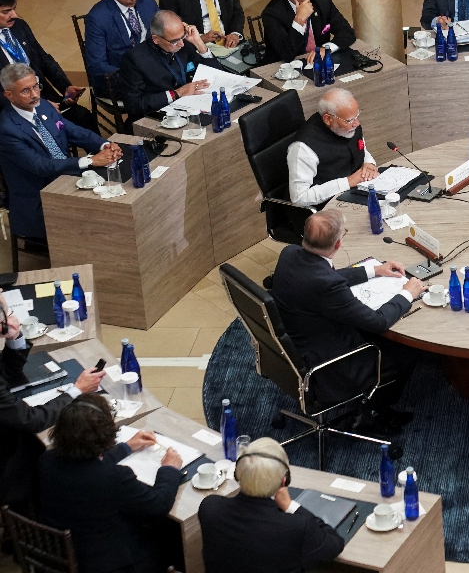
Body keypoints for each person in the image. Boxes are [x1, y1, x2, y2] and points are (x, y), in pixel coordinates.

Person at [270, 210, 428, 435]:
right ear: (338, 244)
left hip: (293, 347)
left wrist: (374, 270)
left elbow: (322, 276)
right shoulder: (327, 286)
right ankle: (372, 410)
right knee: (406, 350)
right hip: (328, 364)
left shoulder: (289, 253)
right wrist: (407, 293)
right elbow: (378, 321)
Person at [39, 394, 184, 573]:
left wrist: (126, 447)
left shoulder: (47, 460)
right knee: (170, 536)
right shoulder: (114, 477)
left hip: (62, 553)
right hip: (109, 564)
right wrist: (169, 469)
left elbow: (86, 464)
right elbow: (159, 505)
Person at [0, 297, 106, 511]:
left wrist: (15, 339)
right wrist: (77, 390)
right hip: (5, 464)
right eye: (6, 313)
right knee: (60, 461)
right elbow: (31, 420)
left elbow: (6, 373)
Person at [0, 64, 122, 240]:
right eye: (25, 91)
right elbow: (40, 165)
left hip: (67, 175)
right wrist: (90, 161)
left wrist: (104, 144)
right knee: (100, 215)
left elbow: (71, 130)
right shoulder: (6, 129)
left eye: (36, 86)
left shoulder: (43, 107)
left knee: (117, 188)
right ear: (9, 95)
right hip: (40, 197)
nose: (35, 95)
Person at [198, 437, 344, 572]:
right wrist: (290, 505)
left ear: (238, 474)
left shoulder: (210, 507)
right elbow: (334, 544)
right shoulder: (297, 527)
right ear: (283, 481)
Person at [0, 0, 99, 133]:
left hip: (44, 96)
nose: (14, 15)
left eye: (14, 8)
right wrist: (37, 106)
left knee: (83, 118)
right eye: (7, 11)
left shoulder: (19, 26)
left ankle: (104, 155)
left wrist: (65, 87)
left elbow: (43, 58)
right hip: (14, 110)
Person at [117, 10, 223, 122]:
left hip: (191, 108)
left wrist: (199, 43)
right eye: (174, 41)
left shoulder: (185, 43)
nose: (181, 44)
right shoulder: (134, 58)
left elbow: (217, 74)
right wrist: (176, 93)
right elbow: (134, 105)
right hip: (157, 116)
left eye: (183, 36)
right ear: (156, 39)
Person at [287, 88, 379, 207]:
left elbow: (361, 148)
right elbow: (299, 198)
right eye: (349, 120)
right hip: (324, 210)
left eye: (356, 116)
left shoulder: (349, 127)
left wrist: (369, 163)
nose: (357, 123)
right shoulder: (303, 149)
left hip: (354, 195)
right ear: (328, 119)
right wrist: (348, 182)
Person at [83, 0, 159, 101]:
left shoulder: (147, 1)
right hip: (119, 77)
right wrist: (135, 75)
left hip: (150, 68)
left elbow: (162, 32)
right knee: (158, 92)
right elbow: (96, 65)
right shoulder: (97, 18)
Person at [261, 0, 356, 65]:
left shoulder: (322, 1)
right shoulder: (271, 14)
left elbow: (348, 32)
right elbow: (287, 54)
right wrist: (299, 20)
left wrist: (326, 48)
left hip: (317, 61)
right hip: (284, 67)